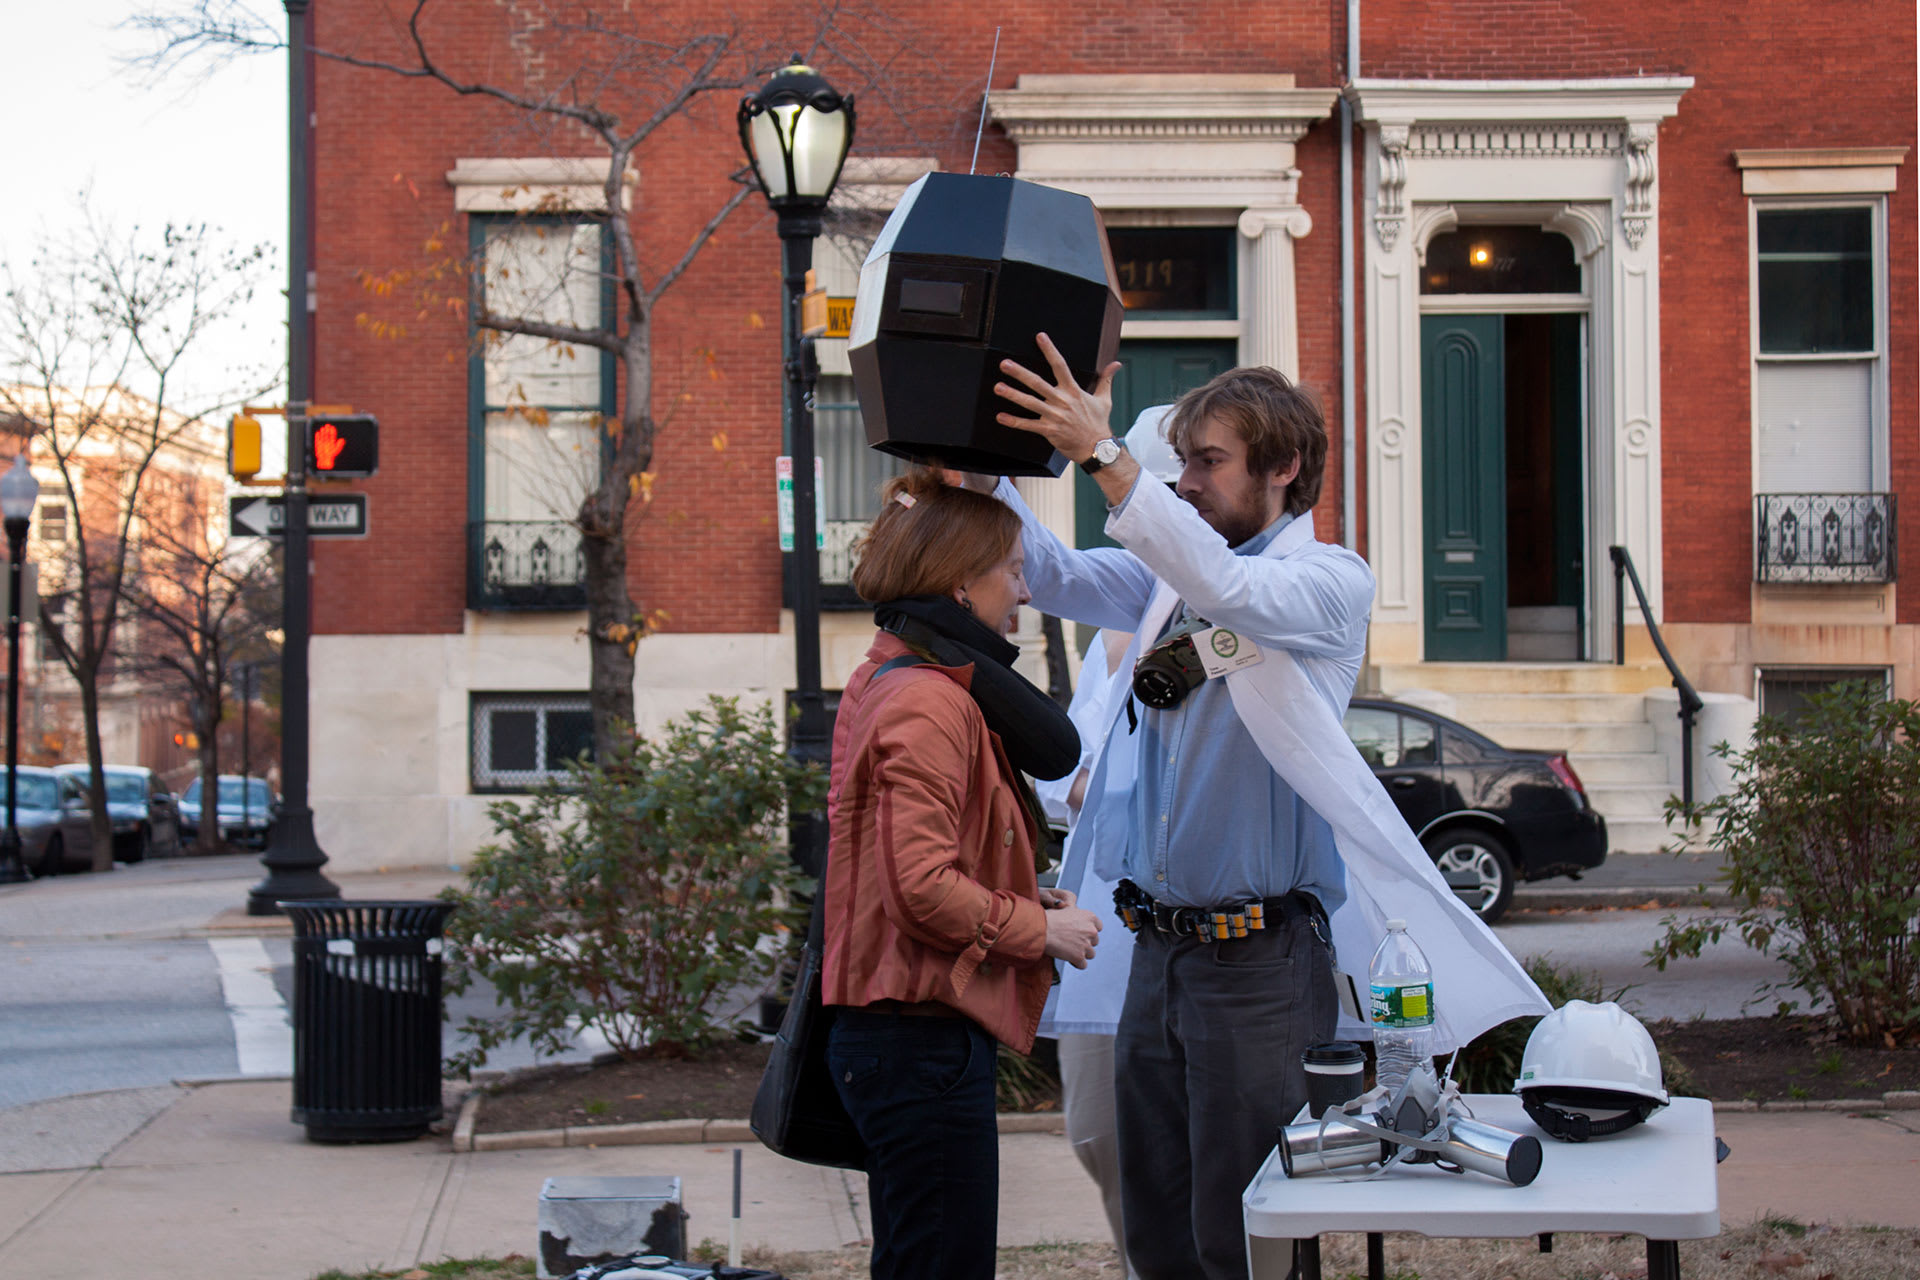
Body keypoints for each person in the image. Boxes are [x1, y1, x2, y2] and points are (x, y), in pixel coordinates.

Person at [983, 340, 1548, 1280]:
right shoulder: (1169, 582)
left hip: (1258, 964)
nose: (1188, 480)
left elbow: (1232, 590)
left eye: (1210, 462)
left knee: (1246, 1224)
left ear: (1284, 468)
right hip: (1157, 954)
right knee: (1156, 1215)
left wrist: (1108, 456)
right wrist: (987, 456)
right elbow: (1050, 572)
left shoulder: (1328, 583)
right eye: (1184, 461)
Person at [821, 468, 1103, 1280]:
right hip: (919, 1033)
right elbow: (921, 885)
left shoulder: (891, 674)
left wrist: (1021, 895)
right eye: (1011, 570)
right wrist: (1039, 928)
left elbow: (897, 867)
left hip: (901, 1032)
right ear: (960, 582)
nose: (1022, 591)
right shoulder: (928, 701)